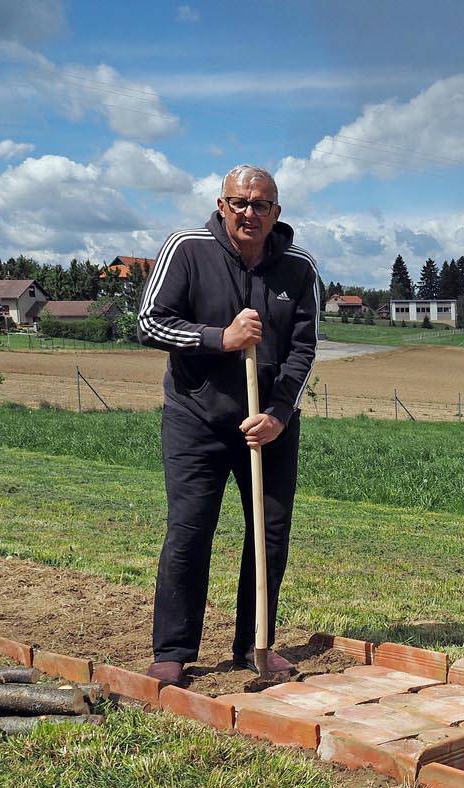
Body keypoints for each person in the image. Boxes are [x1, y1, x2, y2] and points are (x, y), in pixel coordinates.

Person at [136, 165, 319, 687]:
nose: (250, 213)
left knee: (269, 533)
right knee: (190, 530)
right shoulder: (187, 248)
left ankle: (254, 642)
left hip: (269, 425)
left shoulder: (299, 268)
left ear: (276, 213)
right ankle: (172, 650)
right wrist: (222, 338)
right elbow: (150, 323)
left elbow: (305, 348)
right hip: (197, 418)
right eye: (239, 202)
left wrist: (280, 414)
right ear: (221, 205)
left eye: (261, 205)